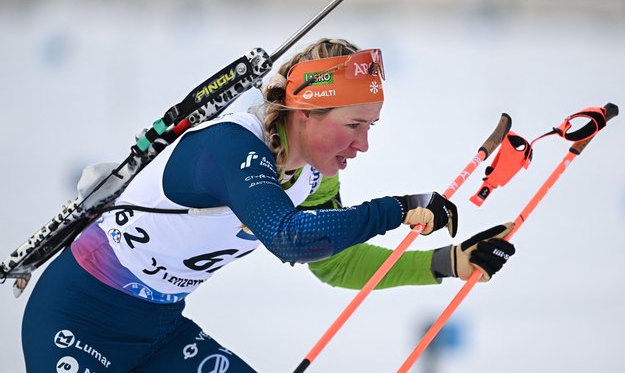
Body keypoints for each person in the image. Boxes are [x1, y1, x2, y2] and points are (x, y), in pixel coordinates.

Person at [21, 38, 515, 372]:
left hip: (159, 331)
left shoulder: (310, 177)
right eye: (354, 125)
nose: (362, 146)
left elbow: (333, 260)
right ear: (305, 113)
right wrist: (395, 208)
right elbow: (288, 238)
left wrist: (446, 262)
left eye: (371, 127)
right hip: (78, 320)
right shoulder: (231, 147)